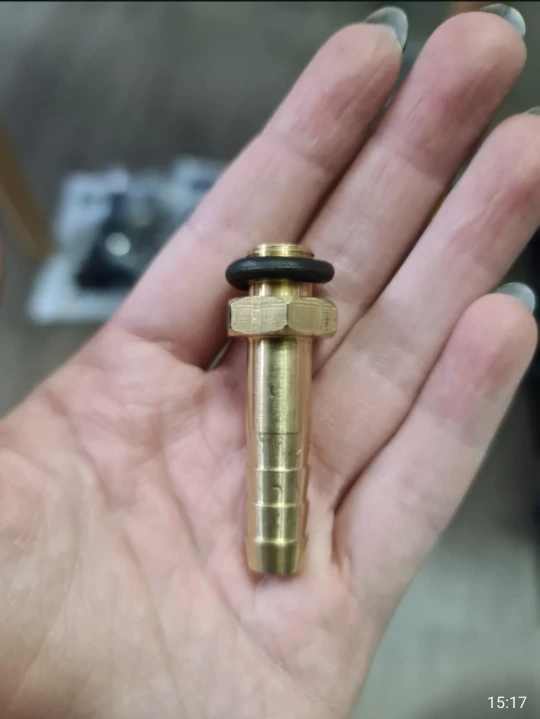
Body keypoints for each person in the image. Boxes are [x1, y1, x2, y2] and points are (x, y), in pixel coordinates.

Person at [0, 4, 537, 717]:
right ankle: (273, 546)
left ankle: (278, 546)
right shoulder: (273, 311)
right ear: (253, 306)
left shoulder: (288, 311)